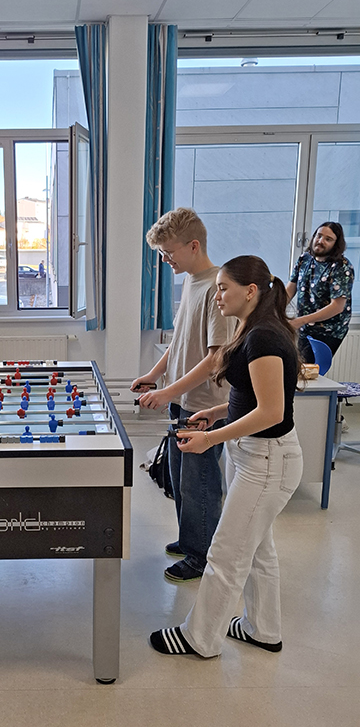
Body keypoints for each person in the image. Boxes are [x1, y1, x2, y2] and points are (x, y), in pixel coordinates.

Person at [149, 256, 303, 658]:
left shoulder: (265, 337)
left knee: (226, 553)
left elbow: (273, 412)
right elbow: (252, 398)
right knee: (258, 550)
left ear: (250, 291)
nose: (217, 296)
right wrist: (215, 413)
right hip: (256, 457)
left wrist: (212, 437)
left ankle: (199, 638)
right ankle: (262, 629)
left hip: (268, 462)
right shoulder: (252, 330)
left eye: (223, 288)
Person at [131, 208, 234, 582]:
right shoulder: (190, 280)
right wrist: (154, 376)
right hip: (182, 400)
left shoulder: (218, 288)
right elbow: (179, 341)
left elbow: (215, 357)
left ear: (193, 246)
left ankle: (201, 556)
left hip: (205, 405)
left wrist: (169, 391)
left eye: (169, 252)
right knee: (177, 477)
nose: (165, 260)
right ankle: (191, 537)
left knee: (199, 482)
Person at [286, 222, 354, 363]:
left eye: (328, 239)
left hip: (329, 331)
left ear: (336, 244)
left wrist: (301, 320)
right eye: (319, 236)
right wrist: (271, 310)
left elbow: (337, 306)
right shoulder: (304, 259)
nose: (321, 241)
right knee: (299, 368)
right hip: (305, 327)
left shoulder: (342, 267)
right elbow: (289, 290)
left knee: (310, 372)